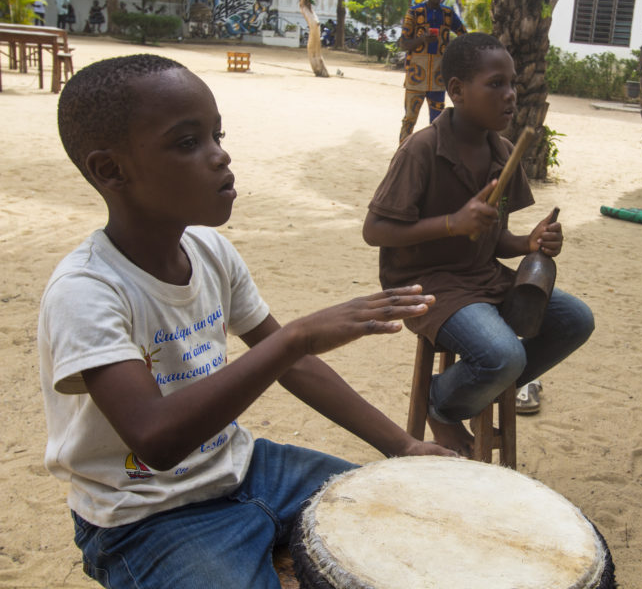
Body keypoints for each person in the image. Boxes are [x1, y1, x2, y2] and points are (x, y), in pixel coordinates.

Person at [40, 54, 455, 588]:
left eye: (217, 135)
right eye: (188, 142)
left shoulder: (210, 251)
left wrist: (403, 446)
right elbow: (156, 440)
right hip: (145, 516)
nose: (220, 156)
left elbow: (297, 367)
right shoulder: (87, 291)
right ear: (110, 170)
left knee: (399, 509)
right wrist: (295, 337)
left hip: (248, 470)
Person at [363, 33, 594, 455]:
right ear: (456, 91)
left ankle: (464, 392)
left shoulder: (503, 151)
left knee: (575, 320)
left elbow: (492, 237)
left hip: (482, 278)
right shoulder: (421, 149)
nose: (509, 96)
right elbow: (375, 230)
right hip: (426, 284)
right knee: (505, 355)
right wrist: (453, 222)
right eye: (495, 84)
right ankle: (441, 404)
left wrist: (530, 242)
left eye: (513, 85)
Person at [397, 0, 466, 144]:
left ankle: (435, 157)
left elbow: (464, 34)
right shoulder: (414, 12)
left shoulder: (448, 14)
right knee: (409, 120)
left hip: (438, 79)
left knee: (437, 122)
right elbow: (403, 44)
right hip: (416, 77)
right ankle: (402, 155)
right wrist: (422, 39)